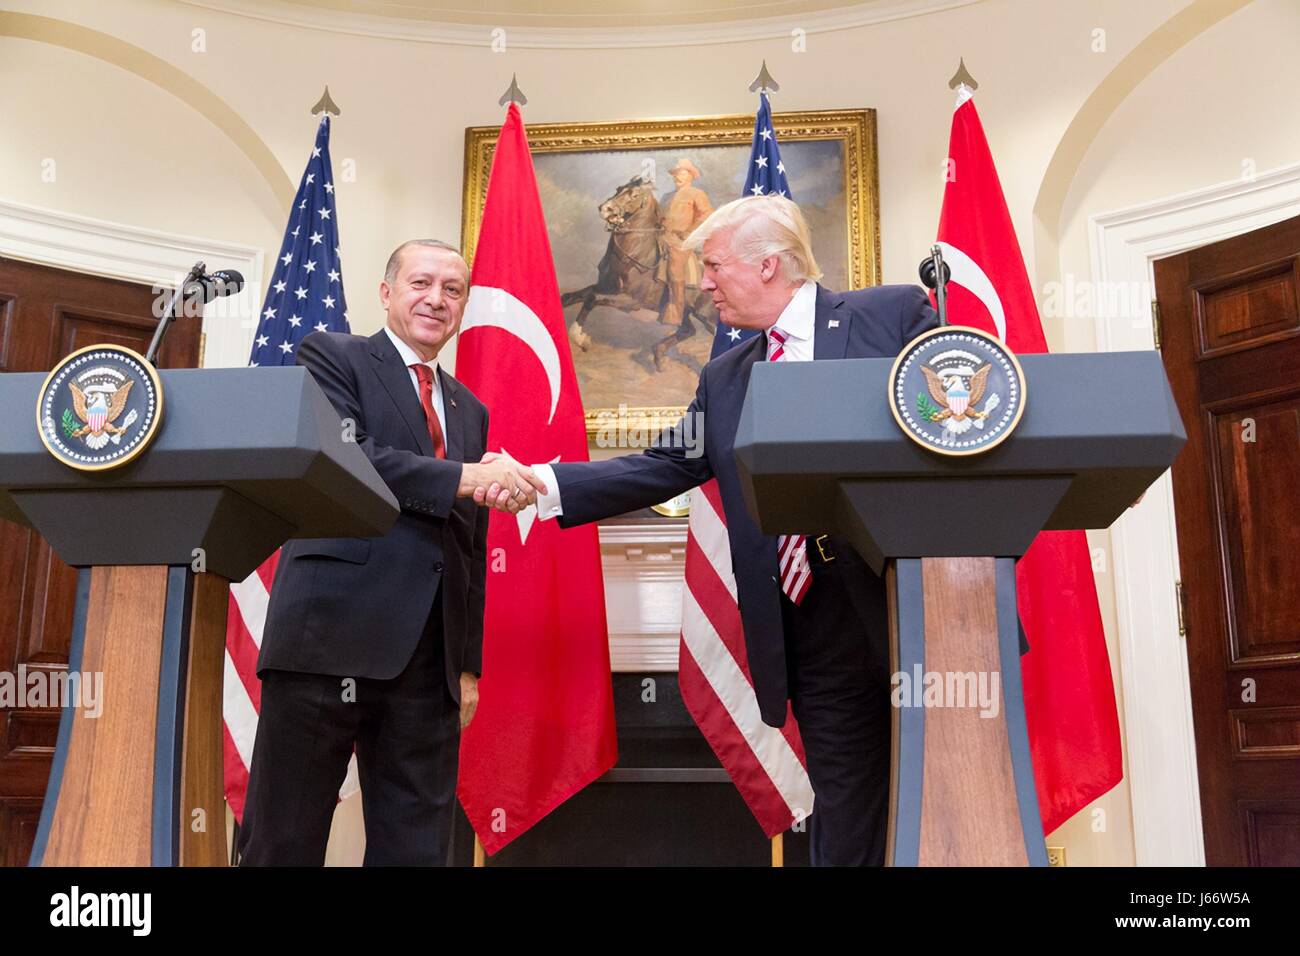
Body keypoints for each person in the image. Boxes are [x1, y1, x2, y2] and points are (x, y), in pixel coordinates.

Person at [472, 196, 936, 865]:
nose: (704, 284)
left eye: (714, 266)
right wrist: (539, 481)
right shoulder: (727, 376)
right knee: (846, 803)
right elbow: (668, 462)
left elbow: (955, 417)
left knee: (944, 790)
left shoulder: (887, 316)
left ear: (768, 264)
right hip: (810, 624)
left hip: (908, 601)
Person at [237, 239, 546, 866]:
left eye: (452, 290)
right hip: (327, 641)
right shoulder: (331, 355)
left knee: (417, 850)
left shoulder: (470, 409)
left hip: (428, 663)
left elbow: (469, 542)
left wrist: (467, 664)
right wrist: (463, 477)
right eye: (421, 283)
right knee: (284, 839)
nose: (436, 299)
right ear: (386, 293)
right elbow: (347, 459)